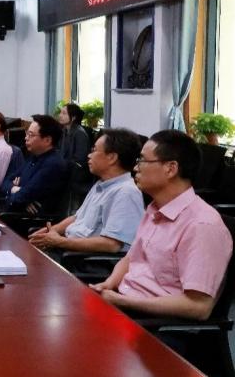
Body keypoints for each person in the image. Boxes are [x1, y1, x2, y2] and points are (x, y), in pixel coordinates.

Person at [91, 130, 232, 321]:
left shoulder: (202, 225)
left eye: (142, 160)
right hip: (126, 305)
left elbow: (198, 306)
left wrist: (123, 302)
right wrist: (108, 284)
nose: (135, 167)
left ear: (170, 169)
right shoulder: (155, 209)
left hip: (155, 324)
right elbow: (131, 258)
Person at [28, 128, 144, 255]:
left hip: (82, 260)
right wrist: (50, 231)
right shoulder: (101, 184)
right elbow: (77, 218)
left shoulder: (126, 193)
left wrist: (59, 242)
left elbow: (111, 244)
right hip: (68, 250)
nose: (89, 155)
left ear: (112, 158)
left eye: (94, 150)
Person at [0, 114, 67, 214]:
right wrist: (16, 190)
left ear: (47, 140)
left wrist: (19, 195)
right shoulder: (33, 157)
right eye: (26, 133)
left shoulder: (53, 164)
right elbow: (5, 182)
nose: (26, 138)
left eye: (31, 135)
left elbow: (22, 197)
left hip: (28, 219)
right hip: (15, 211)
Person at [59, 103, 90, 168]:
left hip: (74, 170)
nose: (60, 115)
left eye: (64, 113)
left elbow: (79, 160)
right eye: (60, 112)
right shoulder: (64, 130)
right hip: (64, 166)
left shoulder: (79, 133)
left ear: (73, 117)